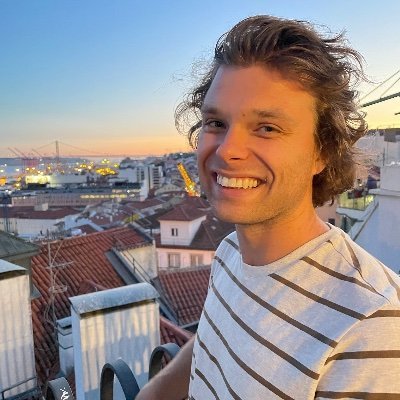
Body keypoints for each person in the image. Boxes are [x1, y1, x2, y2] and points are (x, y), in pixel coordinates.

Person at [137, 15, 400, 400]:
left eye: (267, 128)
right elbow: (211, 341)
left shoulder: (371, 322)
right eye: (216, 122)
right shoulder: (230, 253)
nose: (228, 150)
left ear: (322, 152)